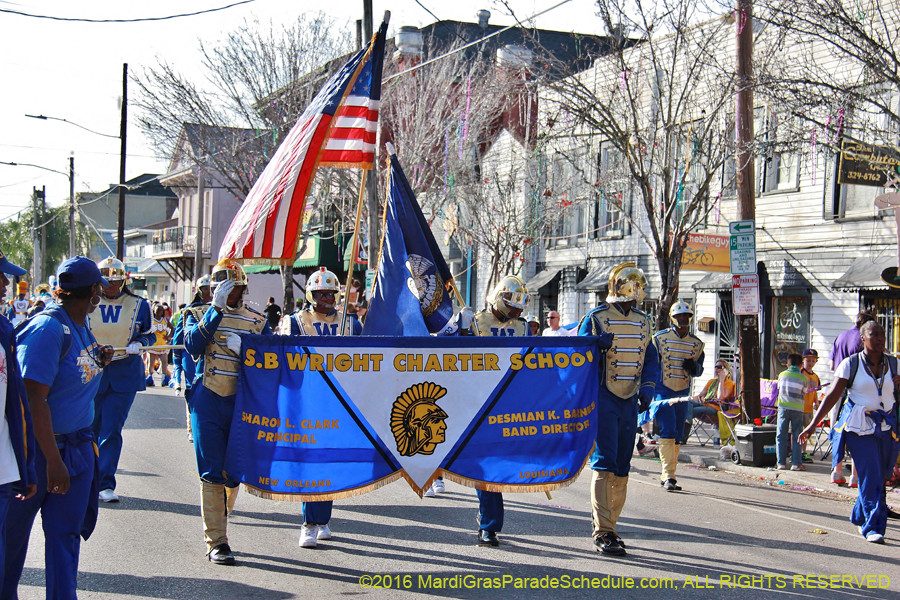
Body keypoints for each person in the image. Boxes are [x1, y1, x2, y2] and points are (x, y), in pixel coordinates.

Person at [5, 257, 114, 599]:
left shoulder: (79, 323)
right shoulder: (48, 329)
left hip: (77, 448)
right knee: (11, 539)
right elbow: (33, 400)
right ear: (95, 291)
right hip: (41, 452)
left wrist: (99, 357)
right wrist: (53, 461)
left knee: (65, 538)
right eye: (101, 285)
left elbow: (71, 373)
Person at [184, 259, 269, 565]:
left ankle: (221, 515)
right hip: (207, 397)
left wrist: (248, 349)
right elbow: (193, 346)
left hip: (242, 401)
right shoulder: (195, 313)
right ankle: (217, 540)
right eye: (224, 287)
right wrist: (215, 310)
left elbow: (271, 364)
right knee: (210, 471)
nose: (230, 292)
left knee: (232, 474)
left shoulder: (257, 321)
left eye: (235, 287)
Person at [440, 275, 531, 546]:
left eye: (521, 302)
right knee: (486, 467)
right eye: (512, 300)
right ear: (498, 297)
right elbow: (454, 358)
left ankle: (487, 520)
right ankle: (489, 524)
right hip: (478, 403)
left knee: (498, 466)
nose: (517, 308)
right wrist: (461, 330)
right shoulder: (476, 322)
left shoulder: (525, 327)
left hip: (510, 404)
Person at [577, 262, 659, 557]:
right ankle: (603, 530)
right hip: (602, 397)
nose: (638, 296)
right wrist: (593, 347)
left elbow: (651, 359)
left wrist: (648, 389)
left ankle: (612, 525)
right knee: (605, 462)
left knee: (623, 465)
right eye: (635, 290)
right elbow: (575, 357)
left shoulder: (644, 321)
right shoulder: (595, 318)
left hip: (630, 400)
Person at [278, 267, 361, 548]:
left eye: (330, 292)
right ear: (311, 295)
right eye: (321, 293)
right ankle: (309, 522)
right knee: (312, 462)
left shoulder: (351, 324)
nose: (326, 298)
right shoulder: (295, 321)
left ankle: (323, 518)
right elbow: (281, 360)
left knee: (330, 461)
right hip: (308, 401)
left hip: (339, 402)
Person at [800, 321, 900, 544]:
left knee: (880, 474)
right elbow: (832, 396)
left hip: (886, 426)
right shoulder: (850, 363)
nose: (880, 338)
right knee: (870, 473)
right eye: (874, 334)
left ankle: (858, 515)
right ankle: (873, 527)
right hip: (859, 427)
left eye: (883, 335)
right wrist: (812, 424)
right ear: (863, 338)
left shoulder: (894, 364)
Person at [90, 257, 153, 504]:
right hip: (92, 371)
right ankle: (87, 479)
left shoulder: (139, 304)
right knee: (89, 428)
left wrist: (140, 343)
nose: (111, 286)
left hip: (124, 373)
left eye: (115, 281)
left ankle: (105, 482)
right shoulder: (88, 302)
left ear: (123, 280)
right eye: (106, 281)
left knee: (112, 429)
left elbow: (149, 335)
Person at [0, 250, 36, 595]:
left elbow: (17, 404)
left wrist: (25, 466)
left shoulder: (3, 327)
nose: (4, 285)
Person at [649, 301, 704, 491]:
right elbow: (650, 365)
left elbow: (699, 369)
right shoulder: (659, 339)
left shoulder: (697, 344)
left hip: (682, 392)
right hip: (662, 391)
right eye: (680, 316)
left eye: (686, 316)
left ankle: (670, 474)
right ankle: (668, 476)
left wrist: (694, 367)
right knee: (669, 430)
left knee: (679, 435)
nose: (683, 319)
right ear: (673, 317)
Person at [828, 310, 875, 486]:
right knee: (857, 431)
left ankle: (836, 471)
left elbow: (832, 364)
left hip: (837, 389)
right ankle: (855, 476)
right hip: (855, 392)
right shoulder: (863, 340)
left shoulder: (841, 337)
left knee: (838, 431)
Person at [173, 277, 211, 442]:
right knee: (193, 390)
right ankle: (191, 427)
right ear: (199, 291)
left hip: (213, 354)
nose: (209, 292)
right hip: (192, 356)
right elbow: (178, 339)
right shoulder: (189, 311)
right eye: (206, 289)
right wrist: (176, 365)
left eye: (212, 288)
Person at [686, 359, 736, 445]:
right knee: (686, 404)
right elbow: (701, 395)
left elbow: (721, 397)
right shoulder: (711, 381)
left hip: (716, 409)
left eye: (719, 367)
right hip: (704, 404)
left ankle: (682, 436)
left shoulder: (729, 383)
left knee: (691, 411)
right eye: (715, 367)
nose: (716, 369)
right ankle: (686, 422)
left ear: (725, 370)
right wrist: (693, 398)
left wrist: (721, 381)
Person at [776, 353, 808, 471]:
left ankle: (781, 463)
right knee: (797, 436)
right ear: (801, 365)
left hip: (783, 407)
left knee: (781, 435)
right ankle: (796, 463)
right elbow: (804, 392)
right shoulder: (804, 378)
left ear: (787, 364)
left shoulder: (782, 375)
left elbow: (779, 388)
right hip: (798, 409)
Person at [145, 303, 174, 387]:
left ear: (162, 312)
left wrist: (169, 336)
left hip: (162, 343)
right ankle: (150, 377)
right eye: (157, 310)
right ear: (154, 311)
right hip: (153, 344)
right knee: (151, 362)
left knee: (164, 361)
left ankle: (164, 378)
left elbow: (172, 328)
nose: (159, 312)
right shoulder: (151, 320)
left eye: (160, 310)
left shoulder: (165, 320)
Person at [800, 349, 821, 463]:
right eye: (808, 361)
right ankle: (796, 451)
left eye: (813, 361)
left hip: (809, 408)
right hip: (799, 407)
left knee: (807, 431)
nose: (810, 363)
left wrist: (816, 402)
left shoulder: (816, 377)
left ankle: (804, 452)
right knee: (798, 430)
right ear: (803, 360)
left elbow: (815, 391)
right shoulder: (801, 373)